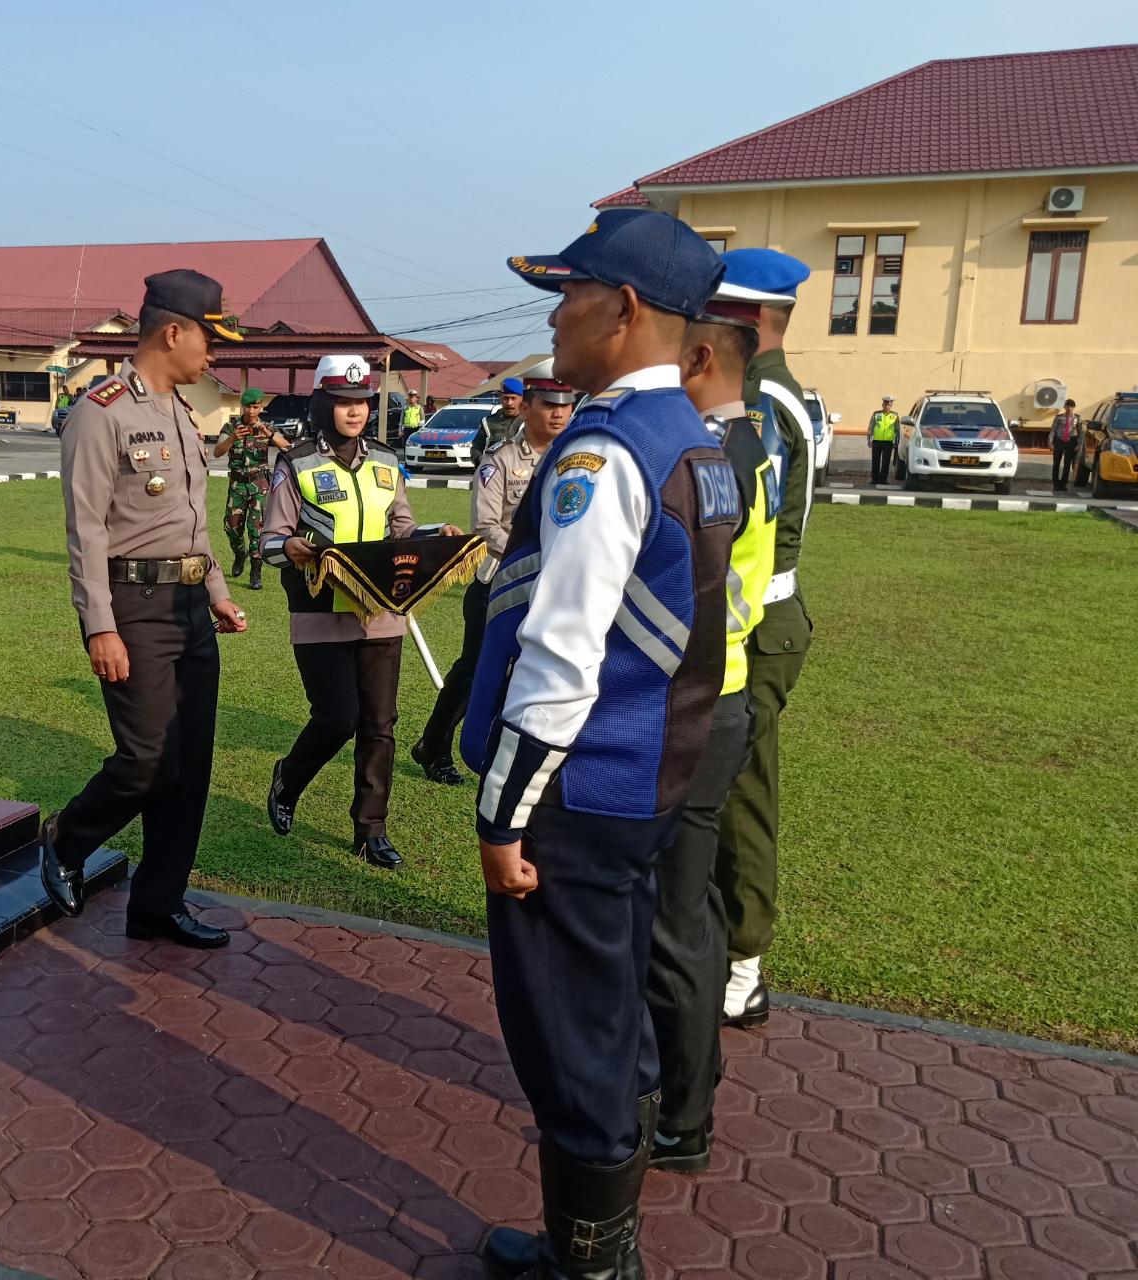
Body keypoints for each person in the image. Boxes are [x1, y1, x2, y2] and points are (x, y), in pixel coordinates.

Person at [461, 209, 733, 1280]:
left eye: (567, 294)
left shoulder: (605, 449)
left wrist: (502, 811)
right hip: (653, 773)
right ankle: (596, 1248)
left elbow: (561, 651)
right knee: (610, 1007)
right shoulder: (697, 440)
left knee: (568, 1033)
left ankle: (588, 1265)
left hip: (576, 790)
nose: (554, 315)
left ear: (620, 309)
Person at [40, 268, 248, 948]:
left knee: (188, 767)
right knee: (147, 760)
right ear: (173, 331)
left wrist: (216, 593)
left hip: (190, 604)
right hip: (134, 605)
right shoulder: (103, 412)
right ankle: (68, 839)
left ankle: (158, 904)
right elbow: (87, 529)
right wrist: (100, 624)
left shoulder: (183, 416)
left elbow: (193, 525)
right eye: (209, 340)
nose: (214, 356)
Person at [646, 287, 778, 1172]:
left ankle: (682, 1116)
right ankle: (691, 1083)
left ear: (700, 360)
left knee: (672, 919)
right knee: (693, 903)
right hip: (722, 692)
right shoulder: (749, 442)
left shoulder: (709, 449)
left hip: (690, 700)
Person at [259, 355, 462, 870]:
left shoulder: (386, 462)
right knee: (337, 718)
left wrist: (433, 535)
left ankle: (371, 829)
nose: (355, 411)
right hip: (319, 608)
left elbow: (400, 528)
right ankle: (290, 776)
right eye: (345, 402)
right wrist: (294, 549)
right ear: (324, 404)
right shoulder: (297, 463)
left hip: (380, 611)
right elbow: (269, 541)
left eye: (363, 402)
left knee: (379, 723)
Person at [717, 248, 815, 1029]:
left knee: (743, 790)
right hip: (764, 612)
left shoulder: (755, 401)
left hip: (753, 618)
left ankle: (743, 963)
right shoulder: (782, 390)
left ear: (743, 319)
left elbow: (737, 524)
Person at [411, 359, 576, 785]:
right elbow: (486, 529)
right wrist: (542, 557)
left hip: (555, 588)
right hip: (499, 585)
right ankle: (434, 745)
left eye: (566, 404)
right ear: (526, 408)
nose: (558, 413)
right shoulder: (500, 462)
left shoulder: (578, 462)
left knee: (529, 674)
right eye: (548, 404)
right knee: (475, 670)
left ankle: (506, 756)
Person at [214, 387, 290, 590]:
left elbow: (287, 448)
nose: (251, 411)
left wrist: (270, 434)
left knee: (256, 530)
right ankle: (240, 553)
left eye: (255, 407)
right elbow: (217, 452)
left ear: (261, 407)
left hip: (259, 485)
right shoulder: (231, 427)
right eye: (248, 406)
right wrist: (232, 439)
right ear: (243, 406)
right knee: (232, 528)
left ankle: (255, 574)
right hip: (237, 485)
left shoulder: (266, 427)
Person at [473, 377, 524, 460]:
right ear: (500, 398)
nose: (509, 403)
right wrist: (480, 460)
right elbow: (476, 448)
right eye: (505, 398)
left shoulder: (530, 422)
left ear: (522, 399)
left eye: (513, 398)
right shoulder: (488, 422)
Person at [1049, 398, 1081, 491]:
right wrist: (1050, 442)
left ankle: (1063, 484)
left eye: (1071, 407)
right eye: (1067, 406)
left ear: (1074, 407)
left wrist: (1078, 443)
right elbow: (1053, 430)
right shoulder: (1059, 417)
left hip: (1071, 442)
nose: (1069, 408)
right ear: (1064, 407)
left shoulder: (1077, 418)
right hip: (1059, 441)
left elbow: (1081, 432)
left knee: (1067, 464)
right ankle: (1056, 484)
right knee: (1056, 463)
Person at [868, 395, 900, 485]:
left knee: (886, 462)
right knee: (875, 461)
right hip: (877, 441)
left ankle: (883, 480)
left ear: (891, 405)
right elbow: (871, 427)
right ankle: (875, 479)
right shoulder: (876, 414)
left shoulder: (895, 416)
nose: (887, 406)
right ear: (882, 404)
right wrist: (869, 440)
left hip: (888, 442)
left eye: (889, 404)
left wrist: (896, 443)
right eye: (885, 404)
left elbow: (897, 430)